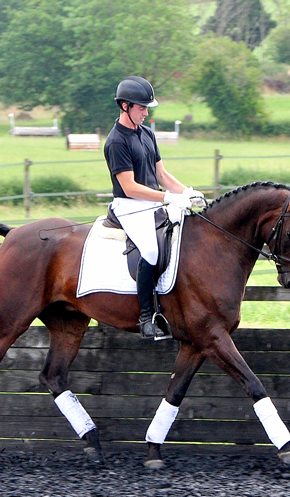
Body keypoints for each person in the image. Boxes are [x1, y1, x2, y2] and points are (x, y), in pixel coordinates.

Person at [104, 76, 204, 338]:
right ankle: (146, 316)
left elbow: (161, 175)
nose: (146, 113)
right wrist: (167, 199)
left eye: (147, 108)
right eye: (142, 108)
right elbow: (129, 187)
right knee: (150, 250)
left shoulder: (147, 133)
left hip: (152, 202)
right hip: (130, 206)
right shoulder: (116, 141)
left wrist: (188, 192)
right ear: (125, 106)